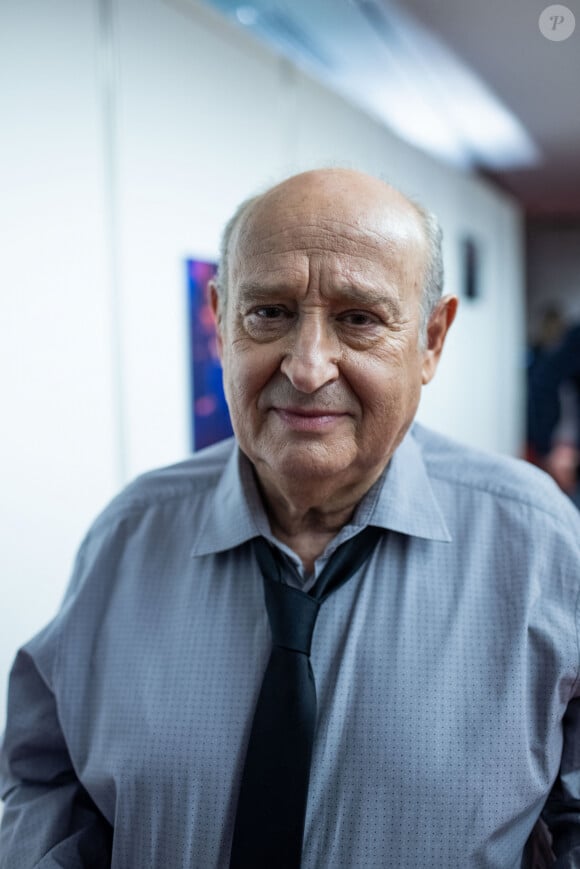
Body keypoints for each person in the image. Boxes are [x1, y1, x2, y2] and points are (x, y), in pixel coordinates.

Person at [1, 168, 579, 869]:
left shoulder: (539, 544)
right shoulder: (130, 535)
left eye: (358, 318)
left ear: (431, 339)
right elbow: (43, 777)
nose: (307, 367)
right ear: (219, 322)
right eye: (269, 312)